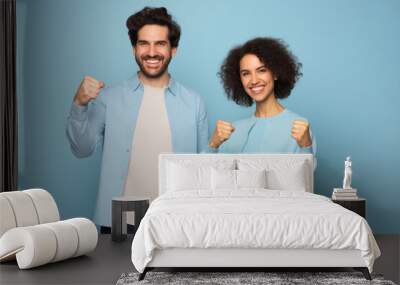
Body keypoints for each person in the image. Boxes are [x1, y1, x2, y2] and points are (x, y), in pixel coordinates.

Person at [66, 7, 209, 231]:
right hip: (121, 219)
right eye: (144, 43)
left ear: (173, 50)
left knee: (176, 269)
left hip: (175, 219)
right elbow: (81, 149)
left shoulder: (194, 102)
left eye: (160, 43)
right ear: (134, 48)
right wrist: (79, 104)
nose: (151, 52)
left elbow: (204, 166)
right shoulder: (109, 98)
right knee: (115, 268)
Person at [208, 37, 316, 156]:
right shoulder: (231, 132)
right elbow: (205, 173)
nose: (254, 80)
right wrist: (213, 144)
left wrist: (306, 147)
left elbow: (306, 174)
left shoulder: (299, 128)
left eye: (261, 70)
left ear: (275, 73)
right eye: (246, 73)